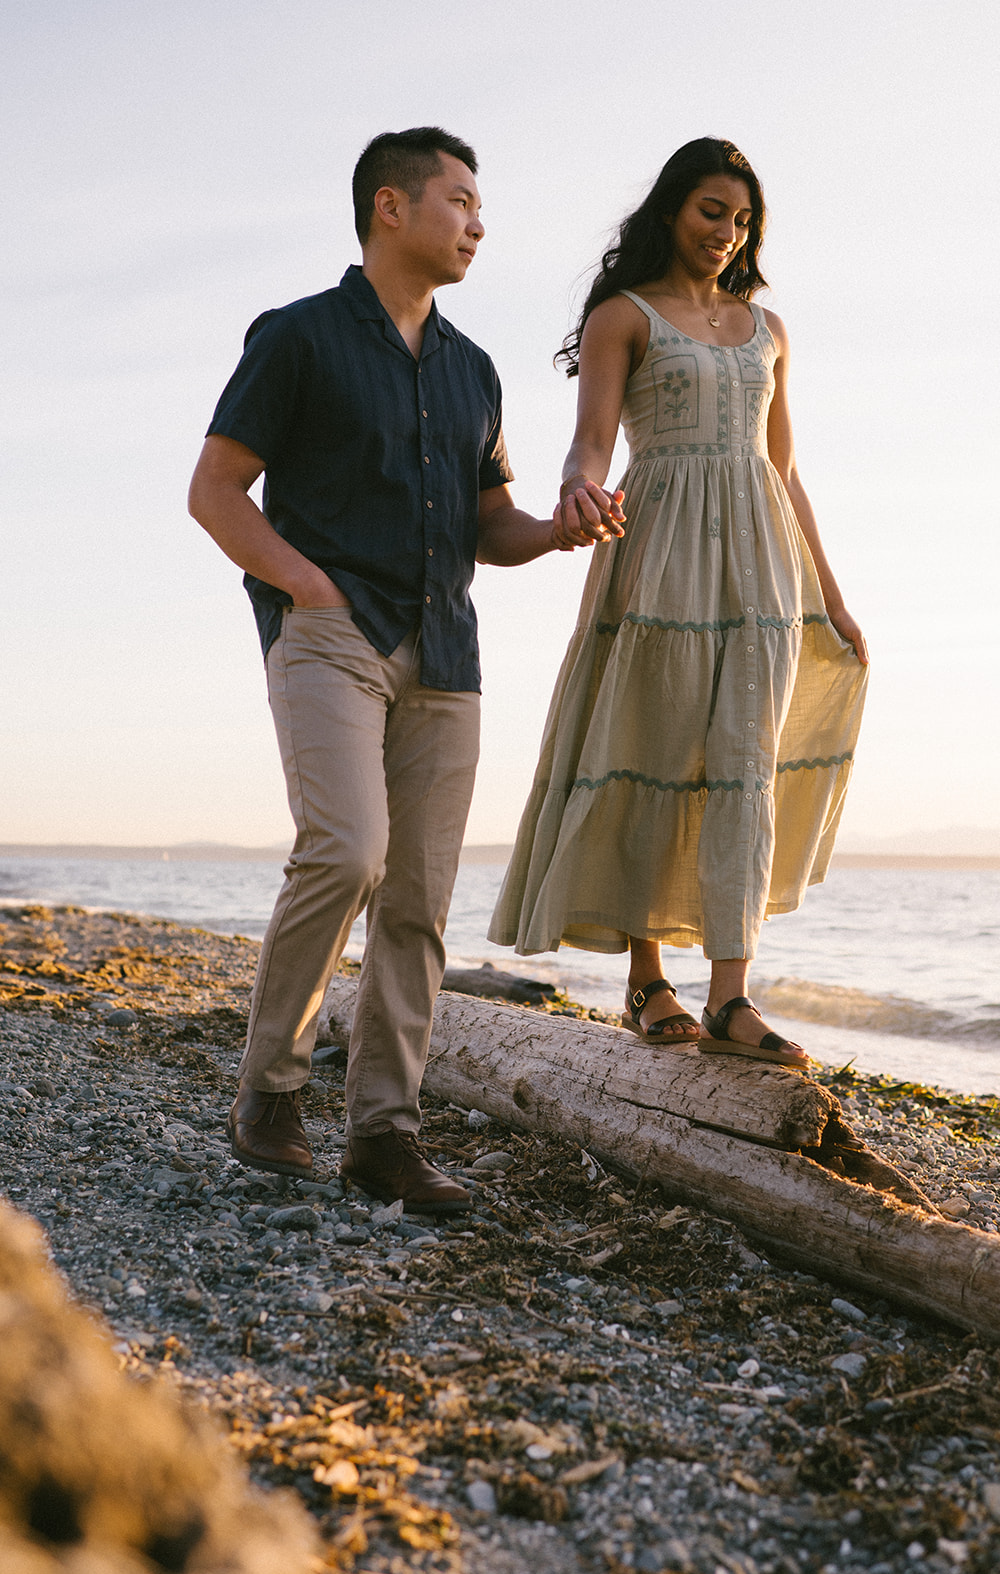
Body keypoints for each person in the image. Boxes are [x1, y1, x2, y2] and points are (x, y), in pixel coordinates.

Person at [188, 127, 612, 1213]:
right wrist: (306, 587)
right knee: (346, 850)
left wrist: (558, 530)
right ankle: (269, 1092)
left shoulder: (473, 371)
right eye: (461, 200)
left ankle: (384, 1134)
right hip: (331, 632)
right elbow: (217, 493)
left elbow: (487, 527)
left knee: (419, 902)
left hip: (446, 654)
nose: (478, 223)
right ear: (391, 205)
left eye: (480, 206)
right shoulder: (296, 338)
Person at [489, 137, 868, 1061]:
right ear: (670, 210)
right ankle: (648, 980)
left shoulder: (767, 330)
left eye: (742, 221)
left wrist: (830, 593)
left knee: (745, 764)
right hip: (655, 548)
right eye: (711, 212)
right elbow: (591, 443)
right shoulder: (624, 316)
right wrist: (577, 492)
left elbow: (783, 470)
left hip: (762, 566)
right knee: (651, 747)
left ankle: (733, 998)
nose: (726, 234)